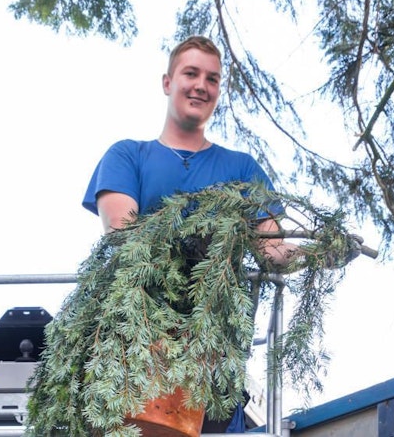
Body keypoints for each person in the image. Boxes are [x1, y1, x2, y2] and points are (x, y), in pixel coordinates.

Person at [82, 35, 299, 432]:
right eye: (191, 73)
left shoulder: (242, 169)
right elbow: (125, 235)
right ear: (167, 82)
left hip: (213, 357)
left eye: (212, 79)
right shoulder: (127, 156)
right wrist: (191, 243)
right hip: (141, 350)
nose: (201, 85)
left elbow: (272, 250)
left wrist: (315, 254)